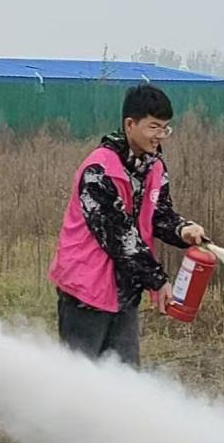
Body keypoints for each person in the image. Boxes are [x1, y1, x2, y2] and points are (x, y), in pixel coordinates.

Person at [48, 84, 207, 366]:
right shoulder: (98, 171)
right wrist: (157, 280)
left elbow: (159, 213)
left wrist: (182, 229)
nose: (160, 136)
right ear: (130, 125)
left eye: (165, 128)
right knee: (80, 379)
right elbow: (119, 236)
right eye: (154, 127)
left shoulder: (154, 166)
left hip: (125, 291)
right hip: (86, 290)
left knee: (125, 378)